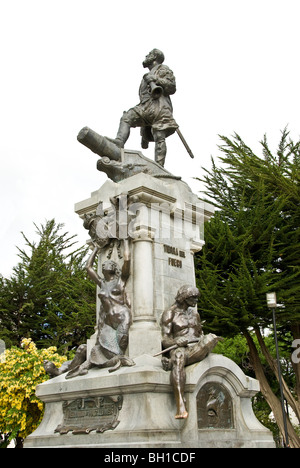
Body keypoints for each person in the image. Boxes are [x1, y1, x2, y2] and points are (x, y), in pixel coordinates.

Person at [66, 239, 135, 378]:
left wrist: (126, 240)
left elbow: (127, 259)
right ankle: (111, 361)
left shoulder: (120, 281)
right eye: (103, 263)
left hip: (122, 316)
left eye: (108, 263)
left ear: (114, 269)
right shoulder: (101, 283)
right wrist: (96, 249)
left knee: (121, 342)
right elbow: (88, 267)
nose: (105, 263)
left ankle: (118, 360)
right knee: (103, 346)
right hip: (108, 320)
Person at [160, 285, 221, 419]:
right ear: (184, 297)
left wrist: (205, 338)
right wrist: (176, 342)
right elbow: (165, 339)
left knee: (211, 339)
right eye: (193, 298)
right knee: (179, 357)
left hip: (196, 346)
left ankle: (171, 364)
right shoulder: (170, 313)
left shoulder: (195, 314)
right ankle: (180, 404)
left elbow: (199, 333)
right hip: (180, 348)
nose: (196, 301)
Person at [113, 48, 178, 167]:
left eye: (149, 55)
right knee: (127, 117)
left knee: (159, 136)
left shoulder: (163, 69)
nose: (146, 56)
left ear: (154, 57)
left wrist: (156, 79)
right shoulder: (149, 73)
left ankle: (159, 167)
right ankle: (119, 142)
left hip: (159, 107)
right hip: (146, 106)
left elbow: (172, 87)